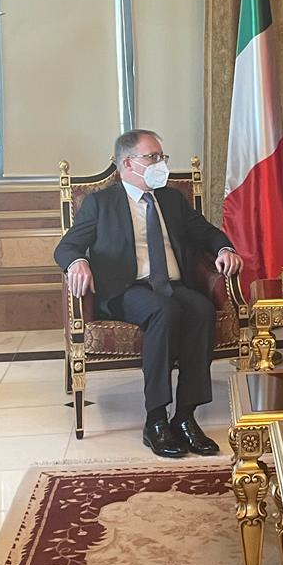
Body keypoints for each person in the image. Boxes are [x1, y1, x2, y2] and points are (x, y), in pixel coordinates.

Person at [54, 129, 243, 458]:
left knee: (201, 309)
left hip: (173, 285)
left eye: (162, 156)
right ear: (128, 163)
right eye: (152, 157)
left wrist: (225, 248)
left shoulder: (171, 199)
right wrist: (77, 262)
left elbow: (206, 232)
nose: (161, 163)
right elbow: (66, 246)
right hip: (128, 289)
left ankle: (185, 417)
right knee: (164, 311)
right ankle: (155, 420)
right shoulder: (101, 203)